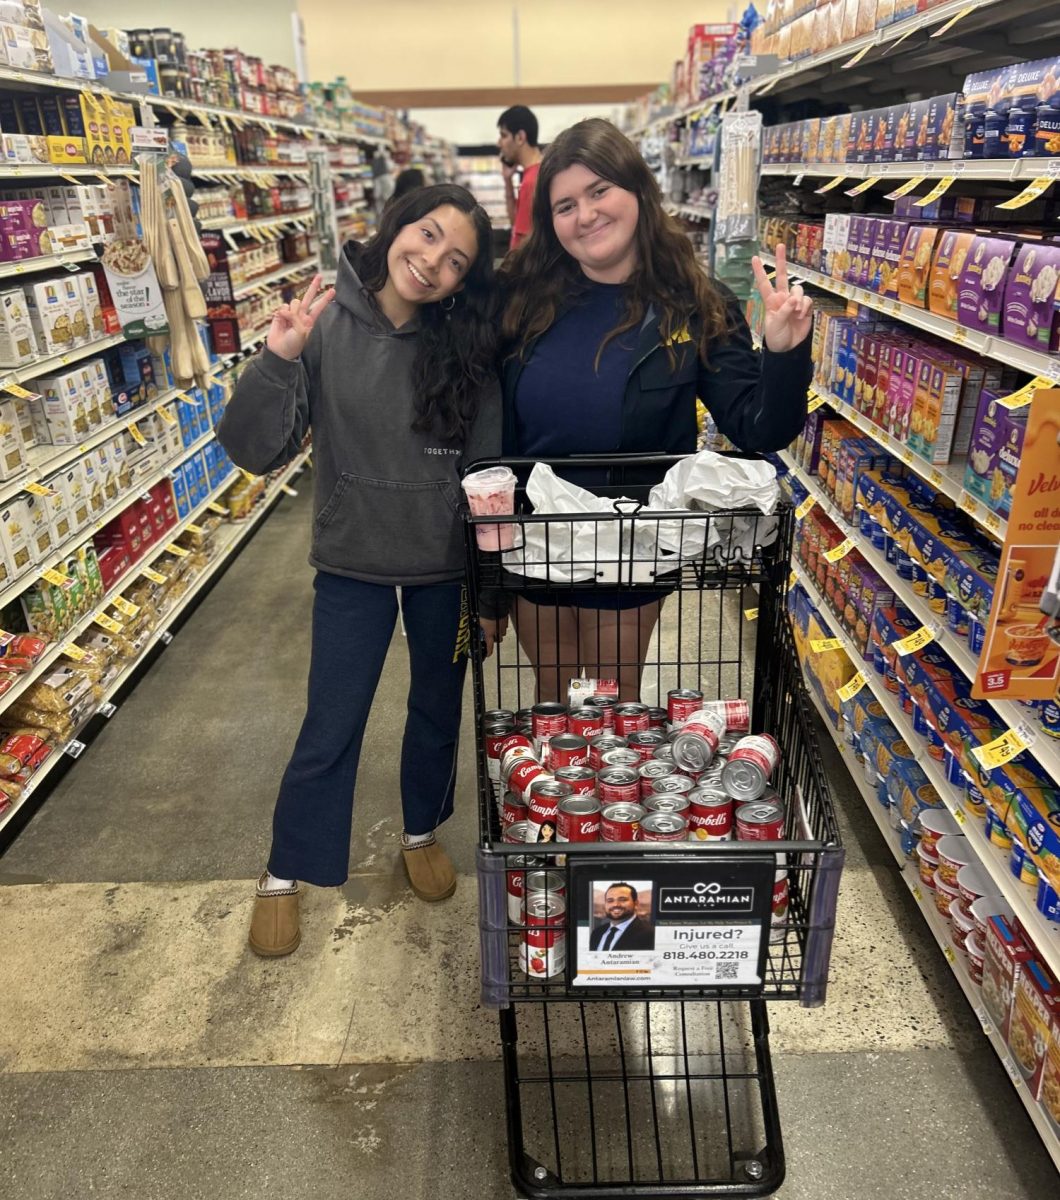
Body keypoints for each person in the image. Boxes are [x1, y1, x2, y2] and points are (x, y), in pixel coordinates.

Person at [217, 184, 504, 958]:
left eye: (456, 260)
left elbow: (487, 471)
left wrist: (490, 586)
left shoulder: (467, 344)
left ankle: (420, 829)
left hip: (445, 569)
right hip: (351, 563)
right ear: (395, 226)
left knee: (438, 713)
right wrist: (277, 359)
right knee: (331, 720)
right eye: (427, 234)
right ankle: (285, 870)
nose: (432, 261)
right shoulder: (324, 325)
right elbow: (252, 450)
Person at [498, 117, 814, 701]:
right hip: (535, 535)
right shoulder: (519, 298)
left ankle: (607, 791)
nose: (585, 215)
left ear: (638, 192)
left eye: (599, 192)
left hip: (631, 539)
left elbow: (757, 425)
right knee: (551, 695)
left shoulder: (693, 301)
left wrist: (783, 352)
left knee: (613, 698)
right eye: (564, 205)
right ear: (550, 221)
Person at [497, 104, 543, 252]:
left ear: (520, 137)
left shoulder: (532, 181)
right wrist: (507, 180)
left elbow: (523, 242)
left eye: (504, 135)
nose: (499, 143)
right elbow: (516, 223)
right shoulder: (533, 173)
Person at [589, 883, 655, 951]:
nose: (615, 904)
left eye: (622, 899)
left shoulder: (650, 934)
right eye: (610, 900)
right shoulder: (596, 933)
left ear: (636, 904)